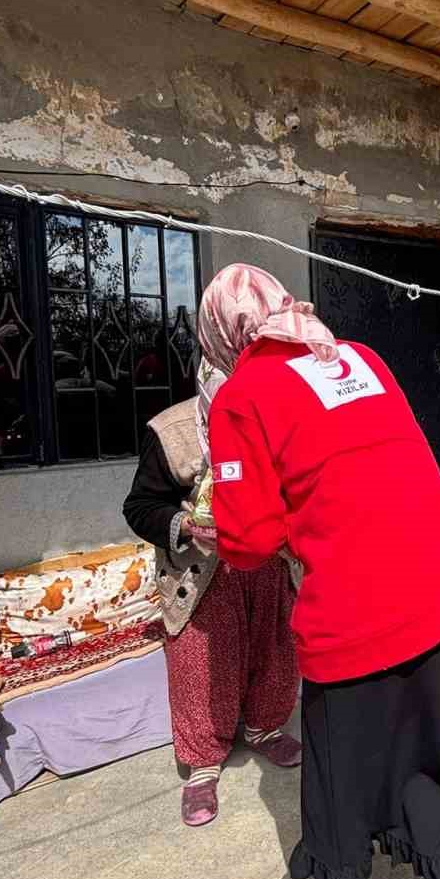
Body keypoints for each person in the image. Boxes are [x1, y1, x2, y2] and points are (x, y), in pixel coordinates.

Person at [200, 263, 440, 879]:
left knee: (336, 766)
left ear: (224, 334)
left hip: (354, 605)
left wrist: (225, 526)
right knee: (420, 749)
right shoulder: (358, 357)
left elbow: (249, 540)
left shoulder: (240, 396)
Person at [122, 278, 302, 829]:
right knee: (203, 662)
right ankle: (202, 764)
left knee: (276, 647)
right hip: (202, 574)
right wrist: (185, 525)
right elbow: (140, 506)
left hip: (267, 563)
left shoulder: (276, 413)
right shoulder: (174, 429)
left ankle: (265, 727)